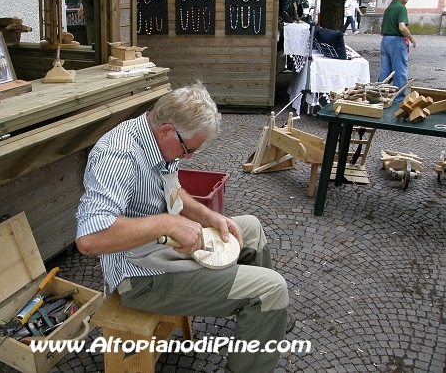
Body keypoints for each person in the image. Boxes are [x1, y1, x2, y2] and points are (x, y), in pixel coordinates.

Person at [76, 82, 291, 372]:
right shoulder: (119, 156)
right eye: (189, 150)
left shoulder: (159, 140)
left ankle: (268, 320)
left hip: (163, 249)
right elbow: (90, 239)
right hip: (143, 276)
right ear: (166, 130)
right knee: (271, 289)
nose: (188, 157)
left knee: (250, 227)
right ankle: (266, 307)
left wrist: (208, 217)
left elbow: (174, 190)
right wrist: (169, 222)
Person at [378, 0, 417, 102]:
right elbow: (402, 27)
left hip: (385, 40)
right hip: (396, 40)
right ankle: (398, 98)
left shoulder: (389, 8)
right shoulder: (401, 8)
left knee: (385, 70)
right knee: (400, 71)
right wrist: (411, 38)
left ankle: (378, 94)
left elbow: (382, 29)